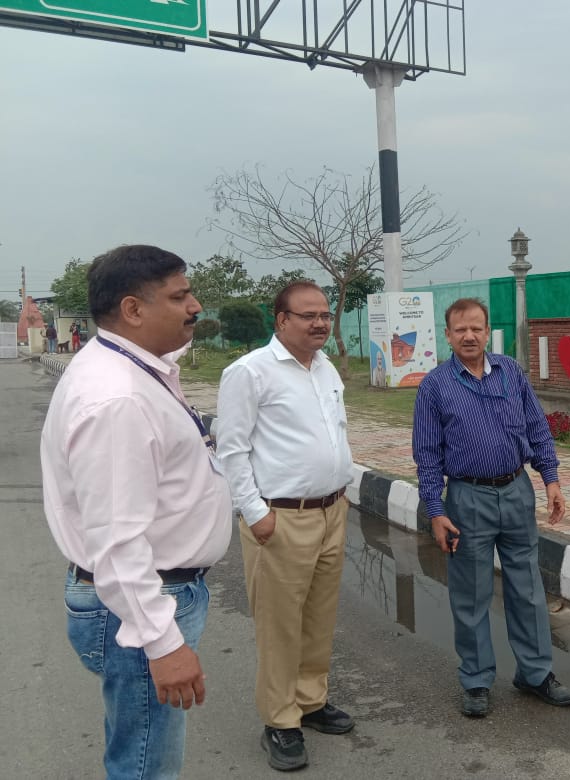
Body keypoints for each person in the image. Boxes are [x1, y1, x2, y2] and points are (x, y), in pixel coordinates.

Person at [40, 245, 233, 779]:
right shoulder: (117, 398)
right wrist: (162, 642)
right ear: (133, 310)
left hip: (151, 594)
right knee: (146, 765)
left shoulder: (130, 367)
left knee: (139, 750)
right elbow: (116, 539)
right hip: (142, 604)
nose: (194, 305)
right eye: (180, 296)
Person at [412, 297, 570, 718]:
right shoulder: (435, 386)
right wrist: (435, 509)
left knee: (528, 588)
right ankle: (477, 679)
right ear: (447, 335)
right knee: (471, 594)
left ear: (488, 332)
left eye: (477, 328)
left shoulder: (511, 372)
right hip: (467, 498)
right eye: (460, 329)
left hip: (516, 491)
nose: (469, 335)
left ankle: (536, 673)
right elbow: (427, 455)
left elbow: (537, 427)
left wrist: (551, 479)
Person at [216, 281, 355, 772]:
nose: (320, 322)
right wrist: (255, 514)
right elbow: (230, 449)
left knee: (319, 615)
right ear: (281, 320)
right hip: (281, 518)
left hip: (331, 511)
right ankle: (280, 720)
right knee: (280, 625)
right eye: (307, 315)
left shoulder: (325, 367)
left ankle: (310, 700)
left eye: (324, 314)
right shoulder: (249, 372)